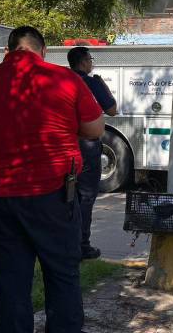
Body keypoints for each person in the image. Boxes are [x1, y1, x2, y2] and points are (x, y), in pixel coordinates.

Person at [0, 26, 104, 333]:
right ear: (43, 51)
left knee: (11, 287)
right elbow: (95, 129)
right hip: (53, 198)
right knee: (62, 277)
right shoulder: (65, 79)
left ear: (7, 52)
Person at [67, 46, 117, 260]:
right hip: (86, 146)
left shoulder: (62, 79)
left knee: (68, 196)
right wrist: (103, 86)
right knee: (86, 196)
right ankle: (81, 244)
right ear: (84, 62)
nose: (92, 63)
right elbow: (112, 110)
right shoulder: (91, 81)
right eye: (90, 59)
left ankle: (66, 240)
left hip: (65, 145)